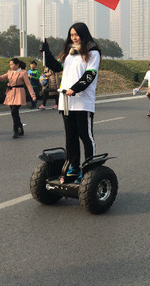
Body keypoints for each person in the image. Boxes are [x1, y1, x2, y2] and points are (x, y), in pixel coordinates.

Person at [40, 22, 101, 182]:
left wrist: (75, 88)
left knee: (85, 136)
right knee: (71, 136)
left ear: (84, 34)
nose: (74, 38)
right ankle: (74, 166)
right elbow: (56, 66)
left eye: (76, 34)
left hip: (82, 101)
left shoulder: (92, 52)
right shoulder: (68, 52)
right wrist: (46, 52)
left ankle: (89, 168)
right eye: (71, 35)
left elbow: (90, 75)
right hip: (66, 101)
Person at [0, 58, 36, 139]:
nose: (10, 66)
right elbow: (1, 78)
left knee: (14, 111)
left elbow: (28, 85)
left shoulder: (23, 73)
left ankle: (15, 130)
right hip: (11, 93)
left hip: (19, 93)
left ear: (17, 64)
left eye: (12, 64)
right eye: (10, 64)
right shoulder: (10, 72)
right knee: (15, 113)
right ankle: (20, 127)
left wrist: (33, 95)